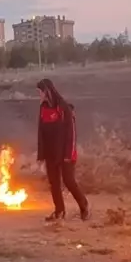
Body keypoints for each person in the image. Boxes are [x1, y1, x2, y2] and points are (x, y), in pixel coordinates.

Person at [37, 78, 90, 222]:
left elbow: (71, 133)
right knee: (54, 183)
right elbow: (41, 132)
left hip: (66, 152)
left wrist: (68, 154)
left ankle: (84, 206)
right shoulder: (43, 108)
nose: (39, 96)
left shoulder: (63, 108)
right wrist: (41, 153)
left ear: (47, 91)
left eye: (40, 92)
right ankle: (59, 211)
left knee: (68, 181)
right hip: (51, 153)